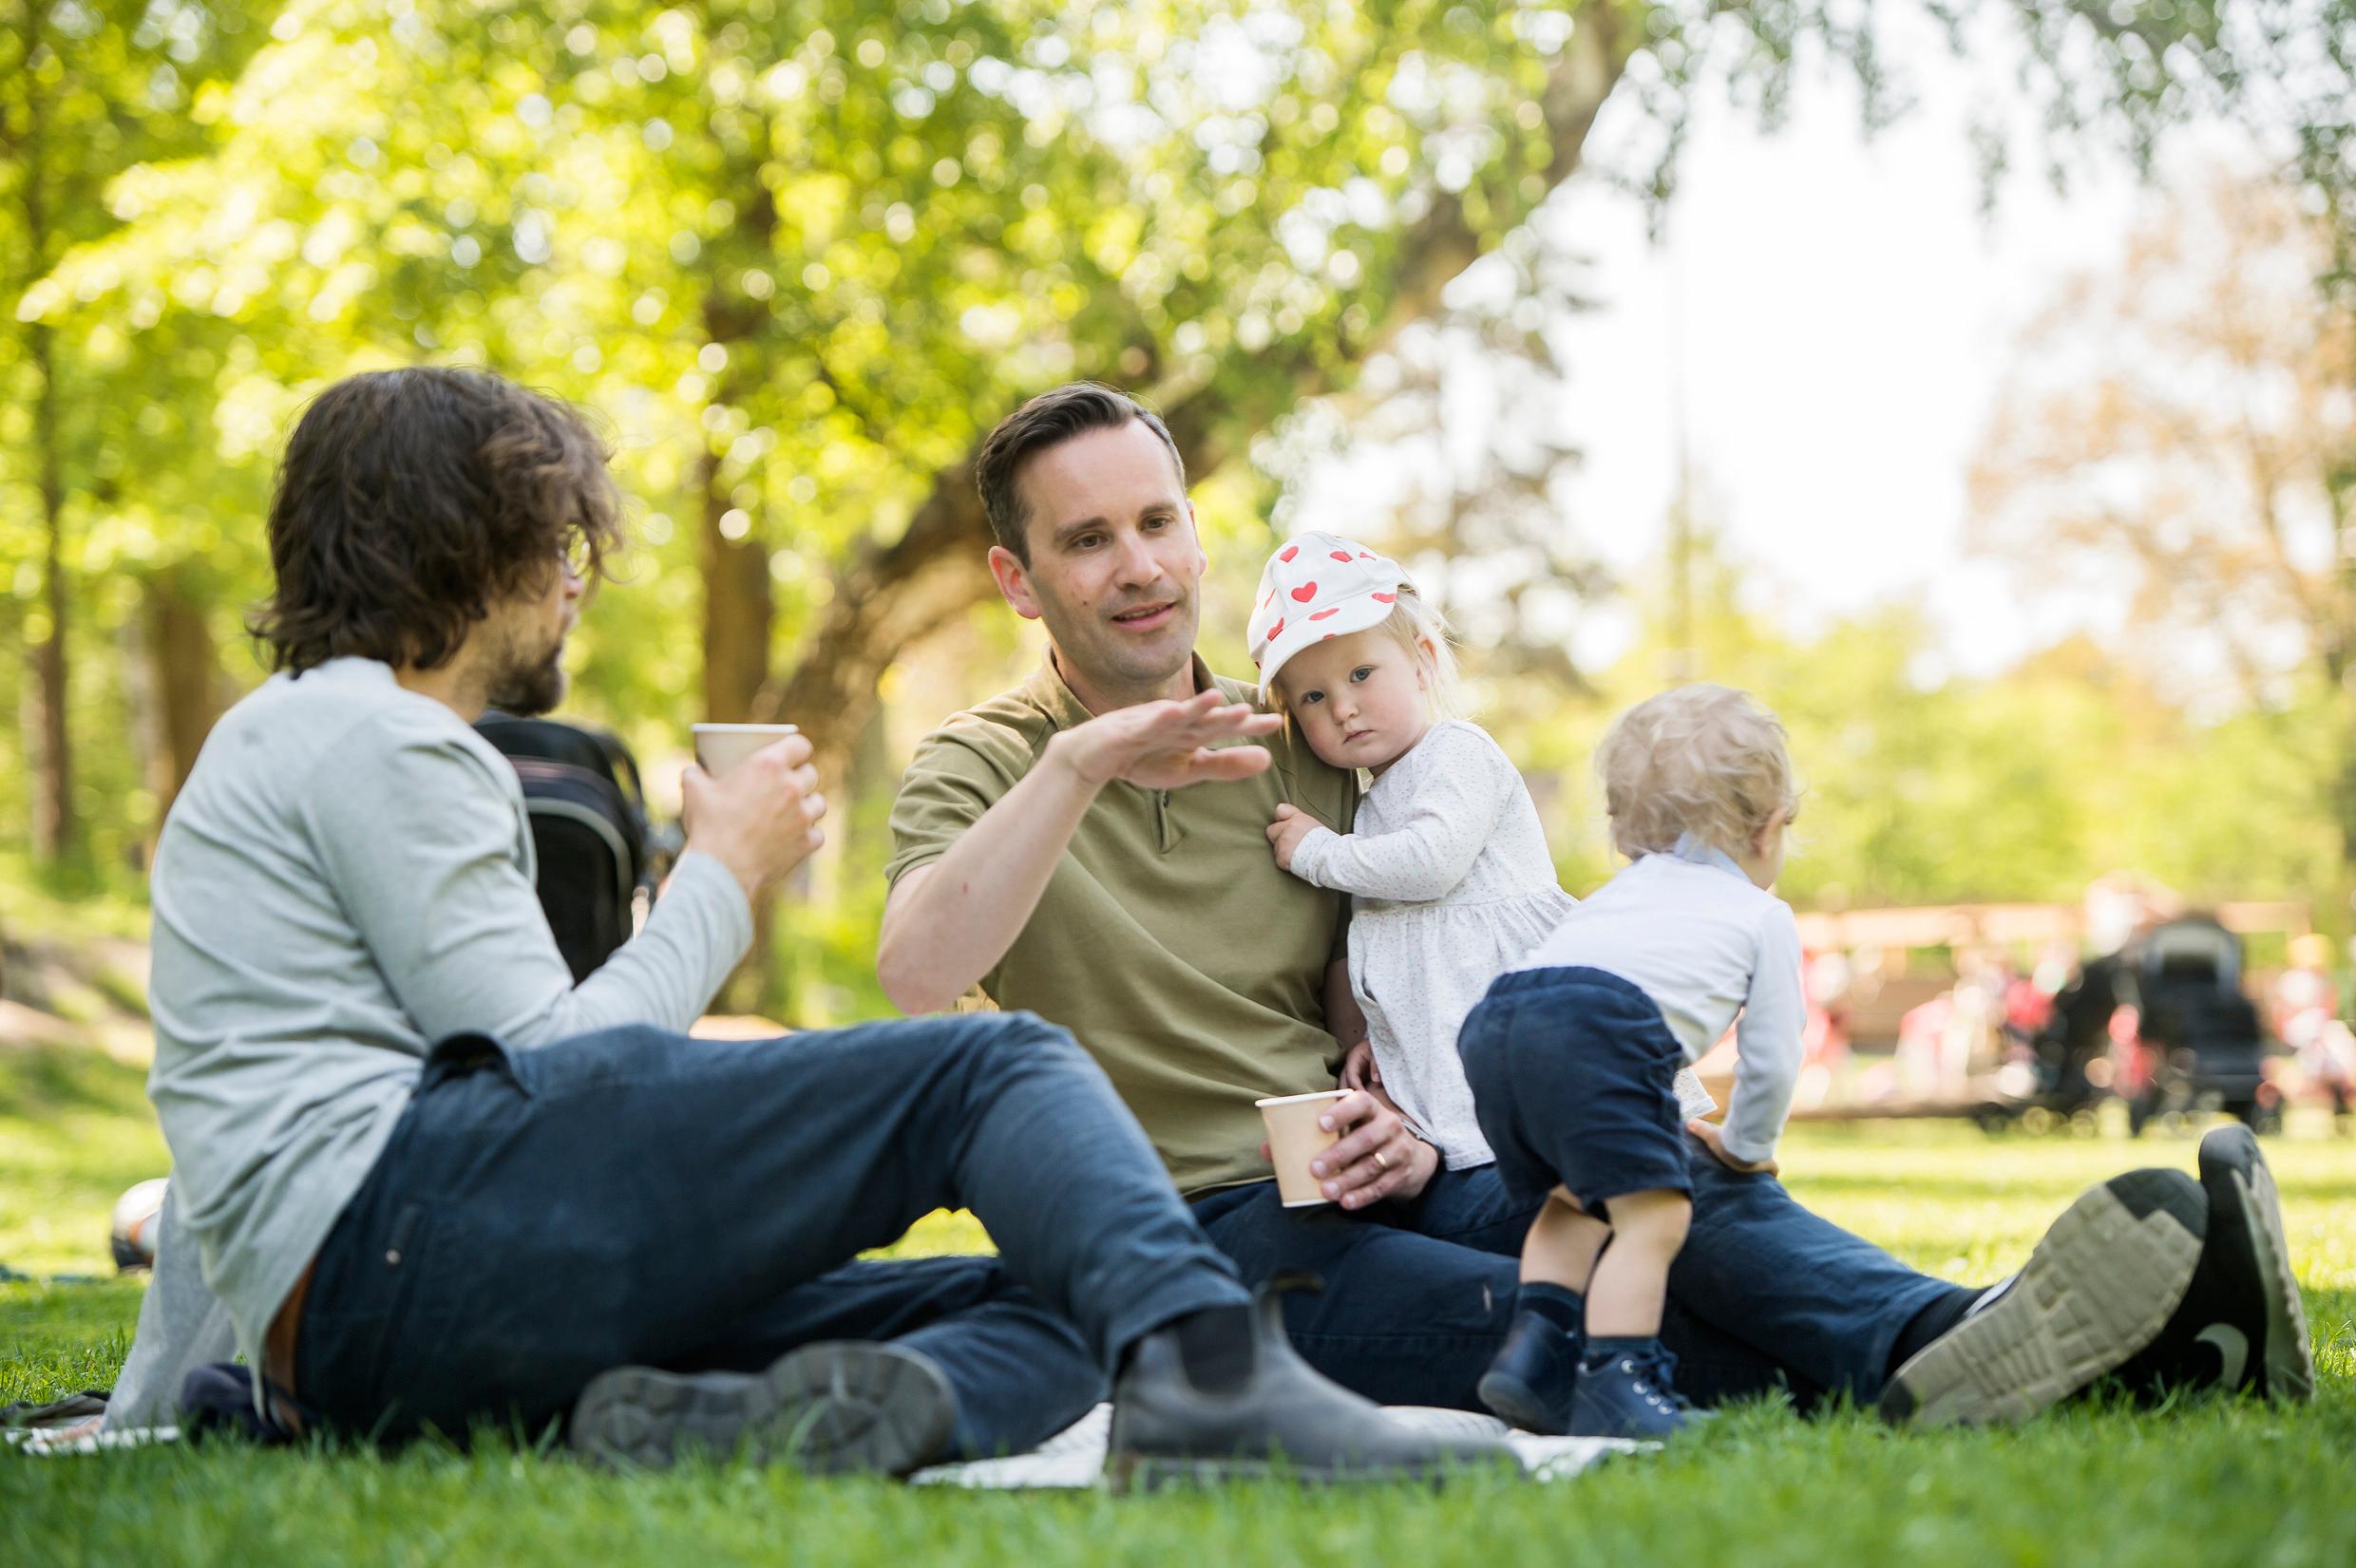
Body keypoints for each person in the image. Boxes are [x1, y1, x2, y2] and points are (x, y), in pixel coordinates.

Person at [130, 366, 1503, 1483]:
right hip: (403, 1259)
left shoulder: (315, 737)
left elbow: (507, 1095)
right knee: (995, 1063)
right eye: (552, 546)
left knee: (1051, 1315)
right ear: (461, 549)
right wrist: (724, 875)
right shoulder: (378, 738)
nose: (573, 581)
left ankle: (724, 1421)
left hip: (388, 1320)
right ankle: (1218, 1383)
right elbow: (553, 1080)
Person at [881, 379, 2314, 1427]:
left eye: (1158, 520)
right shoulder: (995, 767)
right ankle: (2063, 1361)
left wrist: (1413, 1082)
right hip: (1186, 1229)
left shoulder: (1309, 732)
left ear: (1195, 531)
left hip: (1395, 1160)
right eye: (1086, 540)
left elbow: (1408, 938)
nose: (1137, 565)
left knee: (1652, 1193)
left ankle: (1981, 1332)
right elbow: (912, 968)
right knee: (1537, 1327)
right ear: (1018, 576)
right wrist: (1080, 766)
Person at [1458, 684, 1804, 1438]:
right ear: (1768, 828)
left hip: (1496, 1023)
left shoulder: (1617, 895)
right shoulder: (1760, 914)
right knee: (1656, 1214)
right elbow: (1772, 1059)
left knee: (1573, 1198)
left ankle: (1532, 1352)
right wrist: (1747, 1149)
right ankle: (1622, 1379)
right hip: (1596, 1028)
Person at [1248, 531, 1591, 1174]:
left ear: (1423, 660)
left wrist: (1318, 852)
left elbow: (1430, 864)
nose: (1344, 707)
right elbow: (1383, 943)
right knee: (1491, 1169)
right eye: (1314, 697)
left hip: (1510, 1007)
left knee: (1563, 1145)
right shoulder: (1368, 803)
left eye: (1360, 674)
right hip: (1448, 1038)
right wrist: (1378, 1040)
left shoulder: (1459, 750)